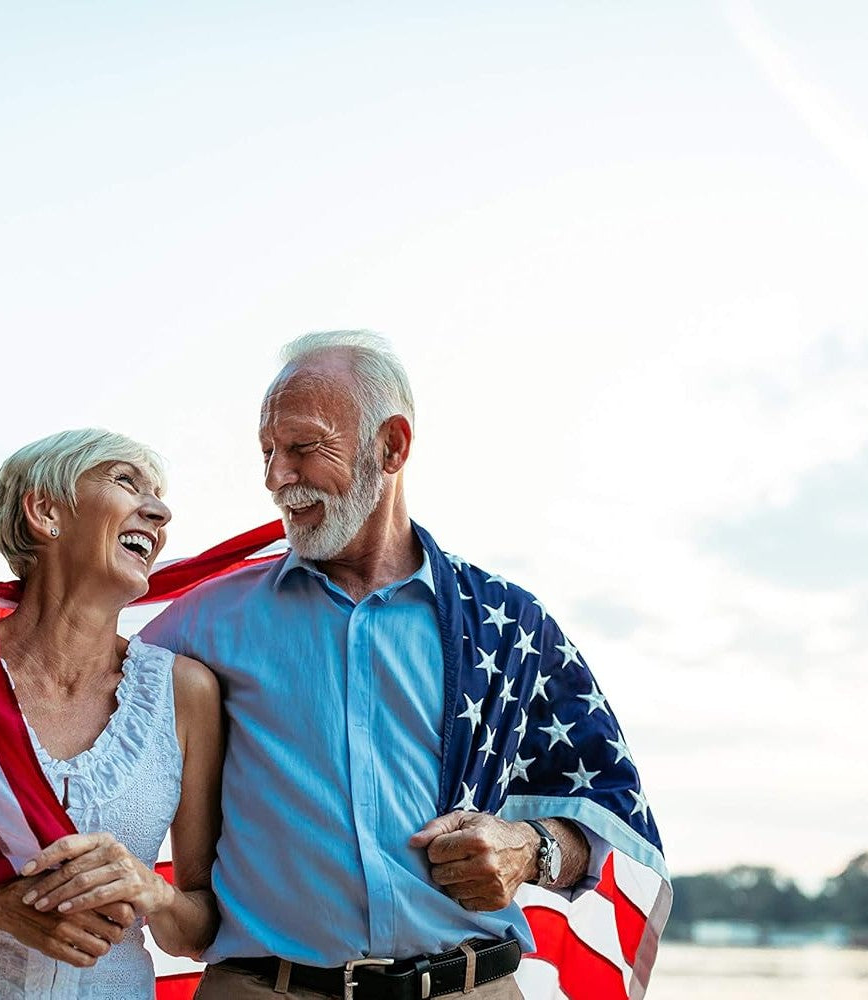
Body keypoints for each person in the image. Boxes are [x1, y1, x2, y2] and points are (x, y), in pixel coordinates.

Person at [140, 331, 669, 1000]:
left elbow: (605, 815)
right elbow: (61, 691)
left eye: (302, 447)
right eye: (268, 453)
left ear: (392, 446)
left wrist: (528, 847)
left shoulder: (508, 626)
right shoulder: (200, 623)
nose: (277, 477)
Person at [0, 429, 223, 999]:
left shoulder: (184, 693)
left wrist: (151, 889)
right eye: (125, 481)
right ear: (45, 511)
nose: (161, 512)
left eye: (159, 496)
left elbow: (201, 927)